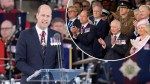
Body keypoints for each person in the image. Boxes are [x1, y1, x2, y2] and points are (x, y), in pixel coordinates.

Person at [16, 4, 63, 84]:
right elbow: (19, 61)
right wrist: (34, 73)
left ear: (51, 18)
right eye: (43, 15)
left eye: (48, 16)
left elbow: (59, 60)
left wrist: (53, 76)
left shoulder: (56, 35)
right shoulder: (24, 35)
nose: (45, 18)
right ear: (37, 15)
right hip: (30, 81)